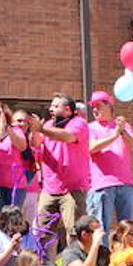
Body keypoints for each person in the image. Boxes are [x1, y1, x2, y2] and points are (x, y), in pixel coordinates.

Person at [33, 94, 90, 252]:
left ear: (67, 110)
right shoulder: (48, 124)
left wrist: (42, 129)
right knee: (43, 233)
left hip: (73, 188)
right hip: (50, 188)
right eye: (51, 106)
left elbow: (68, 137)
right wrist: (35, 132)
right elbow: (37, 145)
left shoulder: (78, 123)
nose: (51, 109)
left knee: (74, 232)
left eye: (55, 106)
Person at [84, 91, 133, 232]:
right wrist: (114, 135)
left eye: (98, 105)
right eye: (93, 106)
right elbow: (92, 147)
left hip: (125, 183)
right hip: (102, 184)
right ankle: (101, 254)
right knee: (100, 228)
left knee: (127, 229)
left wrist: (122, 131)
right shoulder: (90, 127)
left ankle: (125, 254)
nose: (95, 109)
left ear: (110, 106)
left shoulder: (124, 127)